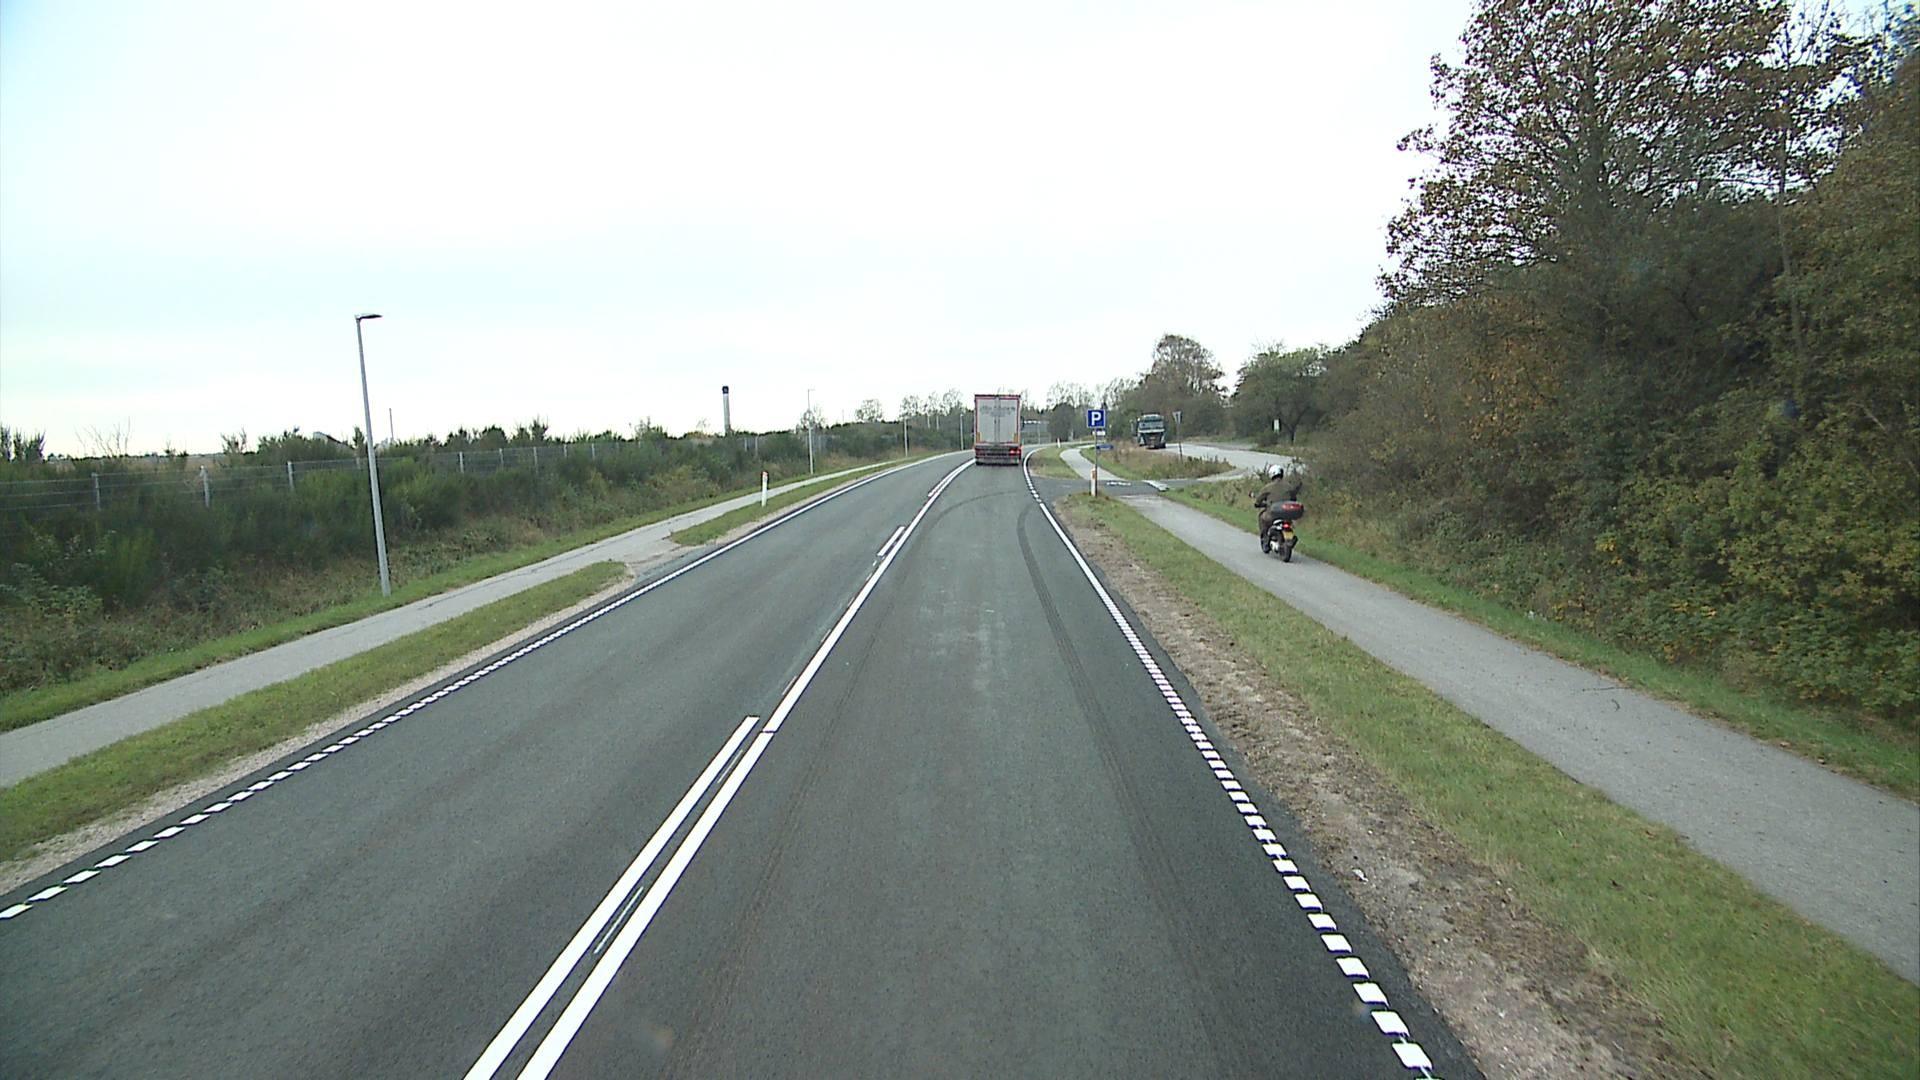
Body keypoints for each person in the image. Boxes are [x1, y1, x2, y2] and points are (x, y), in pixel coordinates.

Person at [1253, 463, 1298, 535]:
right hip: (1287, 515)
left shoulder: (1267, 487)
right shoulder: (1289, 487)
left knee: (1262, 518)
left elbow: (1258, 500)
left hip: (1272, 515)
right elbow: (1294, 499)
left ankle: (1264, 537)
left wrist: (1258, 504)